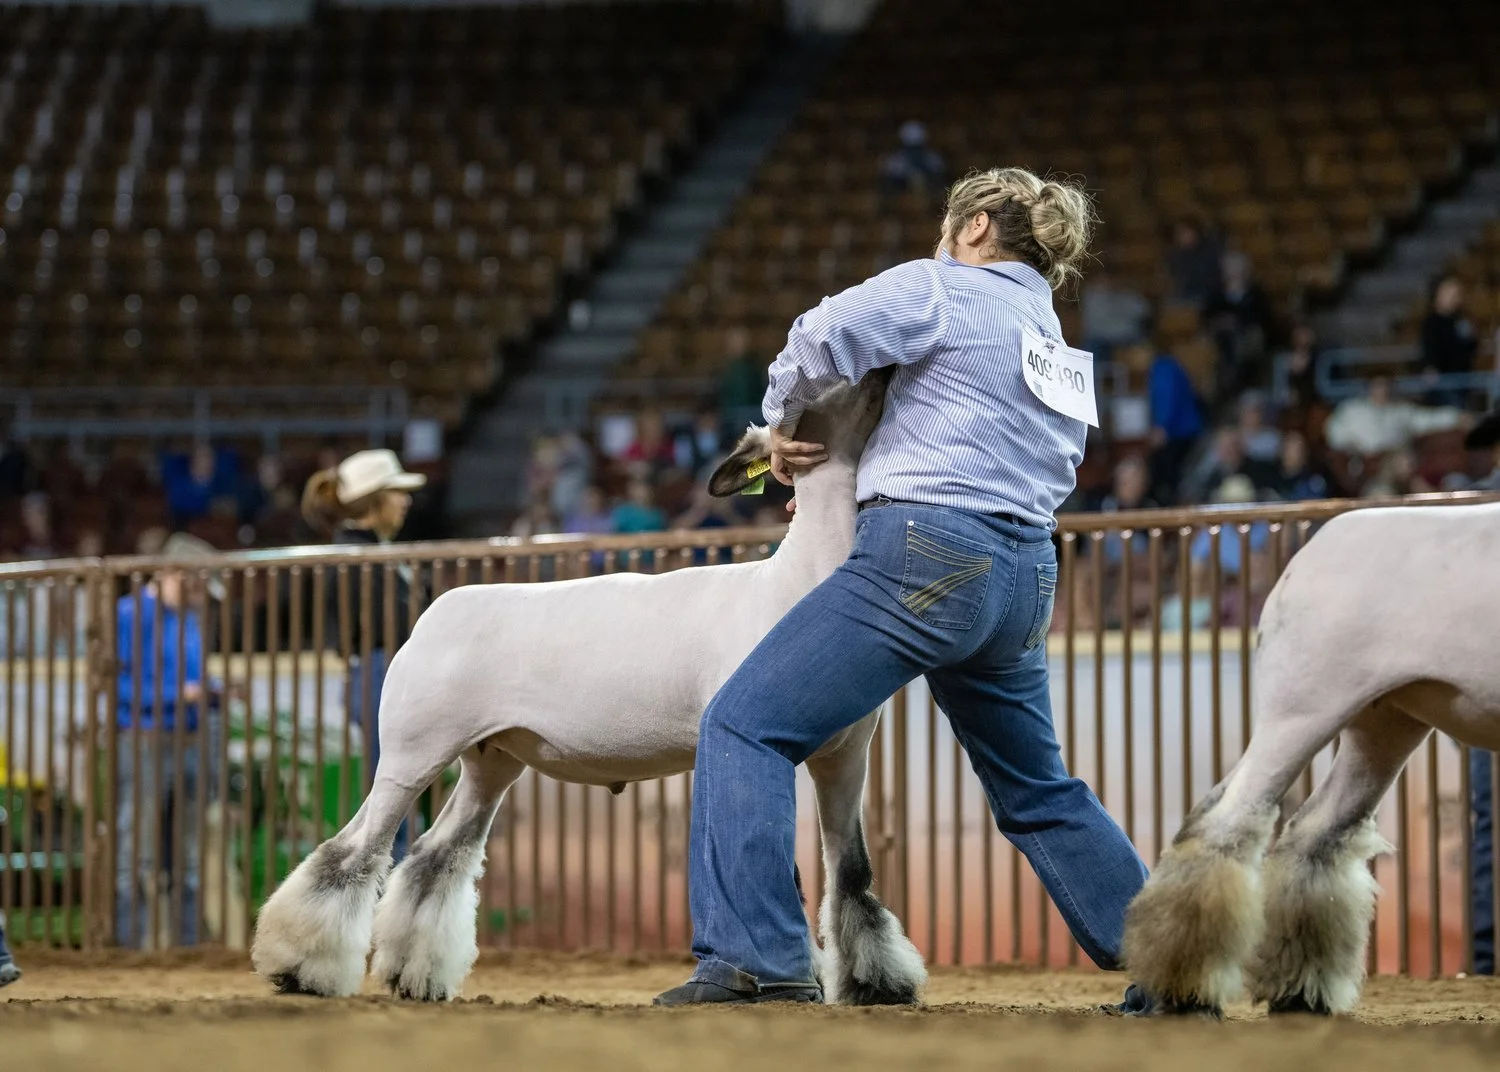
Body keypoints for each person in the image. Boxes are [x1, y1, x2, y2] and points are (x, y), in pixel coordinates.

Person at [654, 167, 1150, 1009]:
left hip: (924, 551)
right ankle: (1171, 965)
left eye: (948, 227)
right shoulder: (1052, 336)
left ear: (979, 226)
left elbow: (818, 334)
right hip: (1026, 570)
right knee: (1039, 787)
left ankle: (759, 960)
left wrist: (776, 422)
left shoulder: (945, 289)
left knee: (743, 725)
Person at [301, 448, 428, 862]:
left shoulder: (377, 552)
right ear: (374, 501)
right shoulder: (353, 556)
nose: (405, 500)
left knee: (401, 793)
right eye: (396, 492)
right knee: (394, 798)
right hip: (379, 673)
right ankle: (387, 902)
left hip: (387, 672)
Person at [114, 533, 217, 948]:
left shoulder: (189, 618)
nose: (201, 595)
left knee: (188, 850)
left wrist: (213, 688)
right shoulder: (130, 614)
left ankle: (187, 944)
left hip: (188, 739)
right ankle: (129, 942)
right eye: (197, 584)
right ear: (176, 574)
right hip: (144, 739)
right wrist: (183, 694)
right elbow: (118, 686)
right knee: (135, 845)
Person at [1322, 375, 1467, 459]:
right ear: (1369, 388)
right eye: (1378, 386)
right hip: (1362, 461)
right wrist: (1350, 445)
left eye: (1386, 386)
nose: (1382, 391)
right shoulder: (1352, 409)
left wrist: (1455, 417)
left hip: (1393, 461)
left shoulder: (1401, 410)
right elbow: (1333, 430)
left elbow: (1427, 419)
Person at [1146, 348, 1205, 504]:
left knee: (1170, 478)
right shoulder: (1171, 365)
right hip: (1185, 430)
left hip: (1179, 432)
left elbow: (1168, 397)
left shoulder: (1163, 367)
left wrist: (1161, 426)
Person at [1420, 275, 1478, 407]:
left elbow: (1471, 347)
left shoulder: (1462, 320)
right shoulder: (1431, 322)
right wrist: (1430, 367)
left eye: (1457, 294)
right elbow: (1429, 348)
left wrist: (1472, 336)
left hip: (1463, 379)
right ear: (1438, 295)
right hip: (1443, 383)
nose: (1454, 298)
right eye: (1450, 293)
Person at [1079, 264, 1150, 366]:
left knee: (1143, 347)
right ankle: (1092, 380)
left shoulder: (1128, 295)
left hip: (1127, 338)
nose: (1109, 282)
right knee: (1090, 350)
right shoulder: (1093, 295)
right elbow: (1094, 326)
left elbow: (1144, 311)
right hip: (1100, 339)